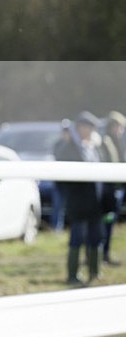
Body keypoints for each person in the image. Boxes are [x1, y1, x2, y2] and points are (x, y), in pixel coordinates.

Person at [55, 111, 104, 285]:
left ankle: (94, 271)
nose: (91, 131)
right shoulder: (69, 147)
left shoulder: (93, 146)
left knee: (95, 236)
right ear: (81, 127)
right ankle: (72, 274)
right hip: (78, 201)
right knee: (77, 237)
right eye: (89, 127)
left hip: (94, 202)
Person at [99, 111, 125, 265]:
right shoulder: (107, 141)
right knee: (106, 223)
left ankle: (105, 254)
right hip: (109, 191)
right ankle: (102, 255)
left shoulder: (115, 141)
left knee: (110, 222)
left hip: (116, 189)